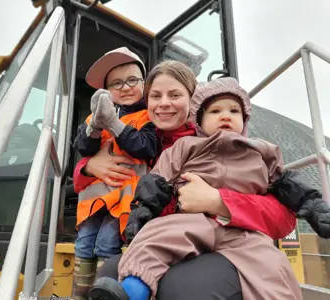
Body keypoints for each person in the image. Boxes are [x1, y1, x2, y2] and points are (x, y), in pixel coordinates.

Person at [90, 76, 305, 300]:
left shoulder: (252, 153)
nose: (164, 103)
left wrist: (218, 201)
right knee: (113, 270)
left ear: (192, 101)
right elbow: (90, 176)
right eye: (155, 96)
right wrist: (86, 167)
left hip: (235, 237)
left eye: (175, 95)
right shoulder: (137, 143)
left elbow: (284, 216)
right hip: (171, 234)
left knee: (185, 287)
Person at [71, 47, 160, 300]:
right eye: (116, 83)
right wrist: (96, 128)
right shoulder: (95, 115)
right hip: (93, 201)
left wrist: (114, 123)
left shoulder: (149, 116)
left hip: (124, 201)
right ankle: (79, 295)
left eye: (132, 80)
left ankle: (103, 294)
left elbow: (144, 147)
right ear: (106, 91)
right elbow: (82, 147)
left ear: (144, 83)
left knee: (106, 245)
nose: (125, 87)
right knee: (84, 244)